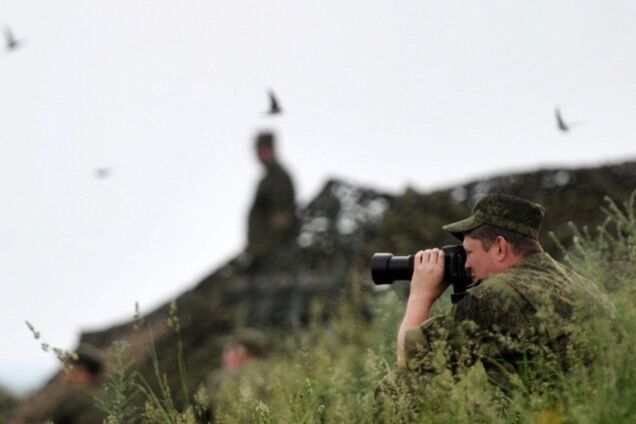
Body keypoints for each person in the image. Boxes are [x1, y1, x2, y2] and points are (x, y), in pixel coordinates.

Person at [396, 194, 614, 400]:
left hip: (546, 416)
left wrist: (421, 294)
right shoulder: (582, 284)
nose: (466, 264)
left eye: (469, 252)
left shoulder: (494, 295)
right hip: (604, 409)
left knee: (400, 389)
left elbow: (410, 360)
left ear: (500, 247)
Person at [246, 131, 297, 265]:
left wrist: (263, 248)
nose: (257, 155)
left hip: (271, 252)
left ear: (269, 150)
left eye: (260, 150)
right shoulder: (268, 178)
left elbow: (282, 218)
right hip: (263, 248)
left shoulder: (278, 177)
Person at [50, 343, 105, 423]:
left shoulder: (87, 403)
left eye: (76, 371)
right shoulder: (69, 400)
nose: (69, 375)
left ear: (90, 374)